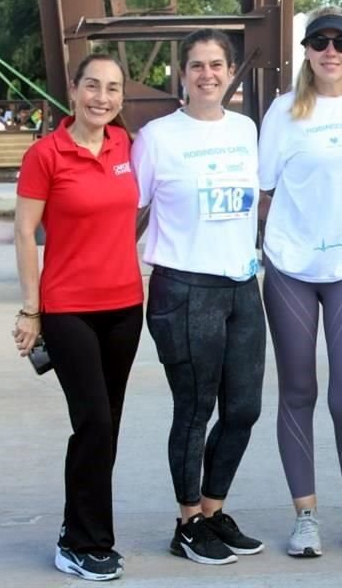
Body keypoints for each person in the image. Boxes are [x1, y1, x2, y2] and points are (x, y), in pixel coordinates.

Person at [258, 5, 342, 558]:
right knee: (297, 391)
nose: (330, 51)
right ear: (307, 50)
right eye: (320, 42)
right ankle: (305, 515)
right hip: (290, 266)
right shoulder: (283, 111)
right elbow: (264, 191)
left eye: (341, 42)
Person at [132, 29, 266, 566]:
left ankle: (212, 512)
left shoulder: (246, 129)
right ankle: (186, 522)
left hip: (241, 286)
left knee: (244, 409)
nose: (207, 74)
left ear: (230, 71)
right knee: (194, 409)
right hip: (184, 288)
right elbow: (129, 210)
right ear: (181, 74)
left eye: (216, 64)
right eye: (196, 65)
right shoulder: (158, 137)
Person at [12, 53, 143, 581]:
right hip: (68, 309)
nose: (102, 98)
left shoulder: (126, 146)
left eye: (112, 89)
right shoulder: (46, 154)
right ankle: (81, 540)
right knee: (92, 421)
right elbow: (25, 233)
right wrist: (30, 309)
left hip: (125, 307)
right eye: (92, 86)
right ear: (73, 89)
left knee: (107, 426)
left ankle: (86, 533)